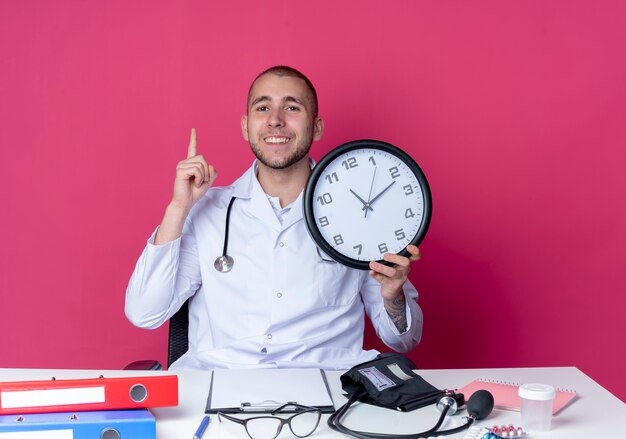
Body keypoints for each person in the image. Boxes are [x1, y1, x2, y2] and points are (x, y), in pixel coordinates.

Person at [125, 66, 424, 370]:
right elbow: (145, 313)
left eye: (292, 107)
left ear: (316, 127)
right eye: (263, 107)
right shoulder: (207, 209)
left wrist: (393, 294)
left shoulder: (360, 216)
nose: (275, 120)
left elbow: (403, 340)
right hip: (220, 388)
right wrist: (178, 208)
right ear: (246, 126)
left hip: (328, 388)